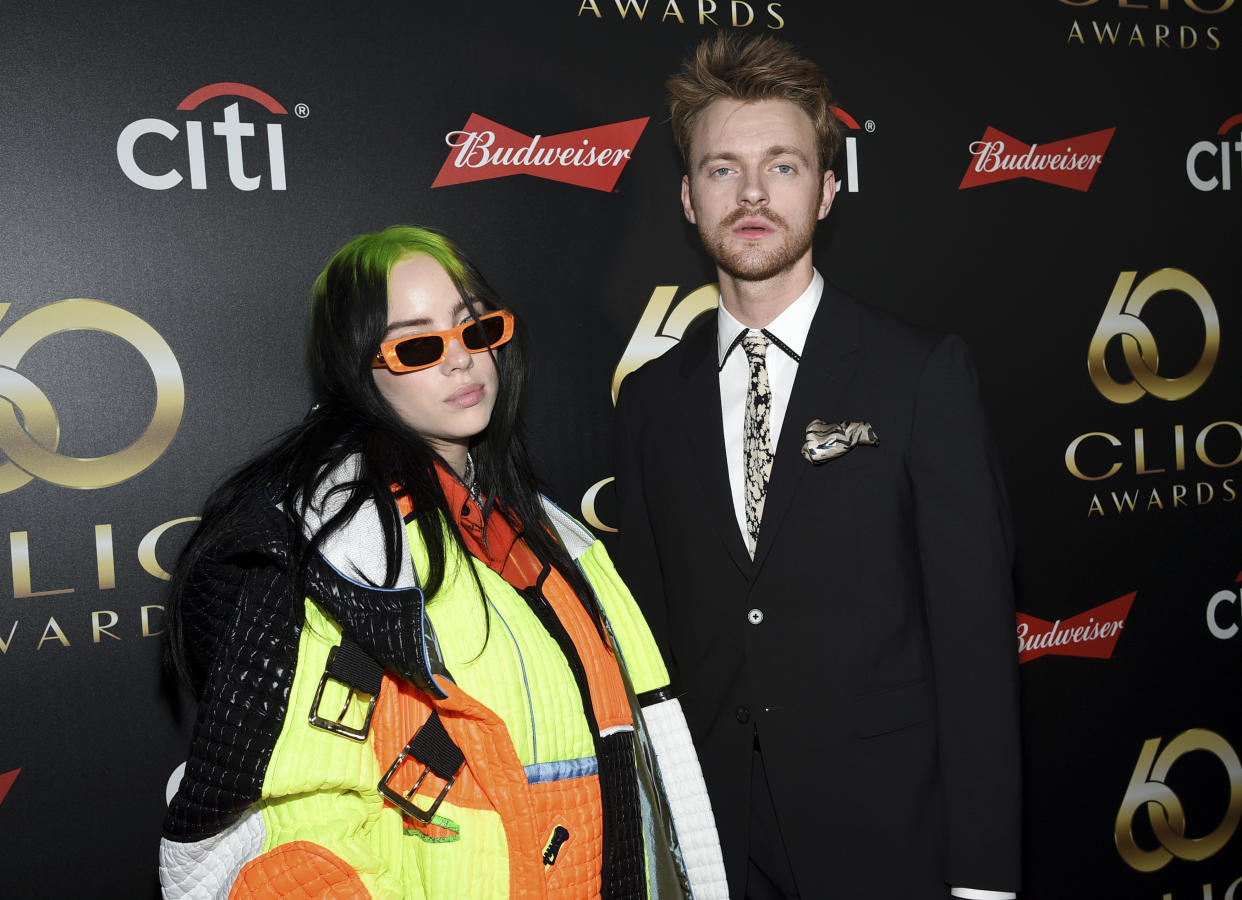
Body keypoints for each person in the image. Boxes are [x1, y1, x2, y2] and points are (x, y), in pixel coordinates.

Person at [160, 226, 728, 899]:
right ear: (355, 369)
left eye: (472, 328)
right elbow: (297, 837)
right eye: (419, 345)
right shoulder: (342, 556)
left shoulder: (554, 535)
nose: (460, 360)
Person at [613, 34, 1022, 900]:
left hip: (887, 841)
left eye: (783, 167)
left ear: (828, 189)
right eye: (723, 170)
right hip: (715, 843)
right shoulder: (650, 403)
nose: (753, 193)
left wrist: (985, 880)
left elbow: (977, 647)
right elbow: (645, 650)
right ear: (688, 199)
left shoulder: (920, 374)